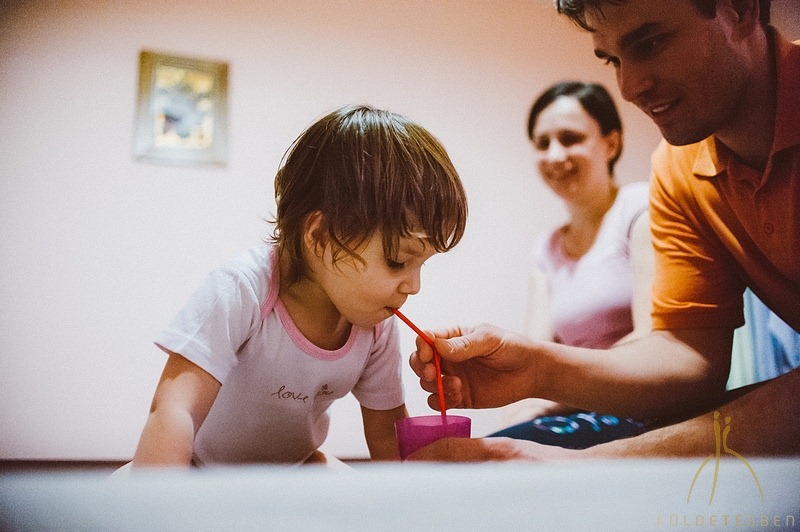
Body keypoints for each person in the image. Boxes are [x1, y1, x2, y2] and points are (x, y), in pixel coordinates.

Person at [409, 0, 800, 460]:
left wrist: (578, 465)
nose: (629, 88)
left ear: (741, 8)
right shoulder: (676, 169)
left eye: (651, 43)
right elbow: (689, 357)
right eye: (613, 60)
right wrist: (535, 370)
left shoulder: (638, 206)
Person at [131, 104, 468, 467]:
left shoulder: (376, 326)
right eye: (398, 261)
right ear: (320, 236)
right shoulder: (243, 289)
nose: (413, 286)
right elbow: (175, 410)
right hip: (202, 469)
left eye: (422, 264)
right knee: (126, 486)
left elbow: (387, 438)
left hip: (299, 466)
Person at [490, 81, 651, 448]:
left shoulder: (639, 209)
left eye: (570, 138)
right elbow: (533, 356)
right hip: (574, 411)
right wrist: (522, 409)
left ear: (611, 144)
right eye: (542, 143)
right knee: (491, 449)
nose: (554, 155)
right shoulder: (546, 250)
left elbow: (653, 338)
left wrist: (554, 396)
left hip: (641, 407)